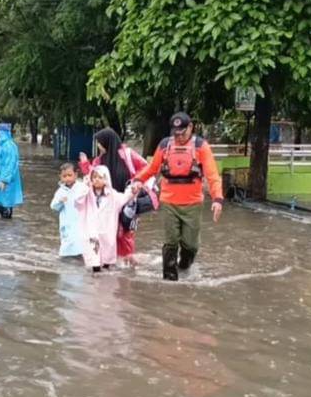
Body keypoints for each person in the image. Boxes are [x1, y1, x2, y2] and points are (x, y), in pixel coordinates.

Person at [133, 112, 224, 281]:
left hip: (193, 203)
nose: (179, 137)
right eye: (176, 133)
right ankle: (169, 281)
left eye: (183, 132)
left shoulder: (201, 147)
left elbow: (212, 175)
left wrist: (218, 199)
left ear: (190, 127)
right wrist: (138, 180)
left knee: (191, 245)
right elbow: (152, 168)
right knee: (171, 242)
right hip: (169, 202)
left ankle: (184, 267)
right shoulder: (164, 145)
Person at [78, 127, 155, 262]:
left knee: (126, 233)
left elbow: (147, 168)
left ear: (107, 142)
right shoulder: (99, 160)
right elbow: (93, 176)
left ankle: (127, 263)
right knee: (109, 232)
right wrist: (85, 164)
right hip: (109, 202)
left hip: (129, 200)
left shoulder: (128, 154)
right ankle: (110, 261)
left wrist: (136, 182)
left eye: (99, 142)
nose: (98, 146)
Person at [76, 165, 139, 273]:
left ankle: (105, 273)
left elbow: (124, 198)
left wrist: (132, 191)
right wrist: (84, 187)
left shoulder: (112, 196)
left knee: (106, 256)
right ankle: (96, 273)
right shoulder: (87, 194)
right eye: (94, 177)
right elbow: (78, 202)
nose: (96, 180)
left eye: (100, 177)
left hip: (107, 229)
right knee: (94, 255)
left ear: (106, 180)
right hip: (92, 230)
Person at [0, 123, 24, 219]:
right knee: (1, 204)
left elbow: (10, 164)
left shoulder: (9, 146)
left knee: (6, 206)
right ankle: (3, 228)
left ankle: (7, 230)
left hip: (5, 182)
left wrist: (5, 180)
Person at [50, 162, 86, 257]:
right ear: (60, 177)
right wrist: (60, 201)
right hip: (67, 224)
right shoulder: (60, 191)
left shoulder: (82, 188)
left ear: (76, 175)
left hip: (80, 221)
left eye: (70, 175)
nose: (67, 178)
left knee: (82, 246)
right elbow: (53, 206)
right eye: (64, 176)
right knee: (67, 250)